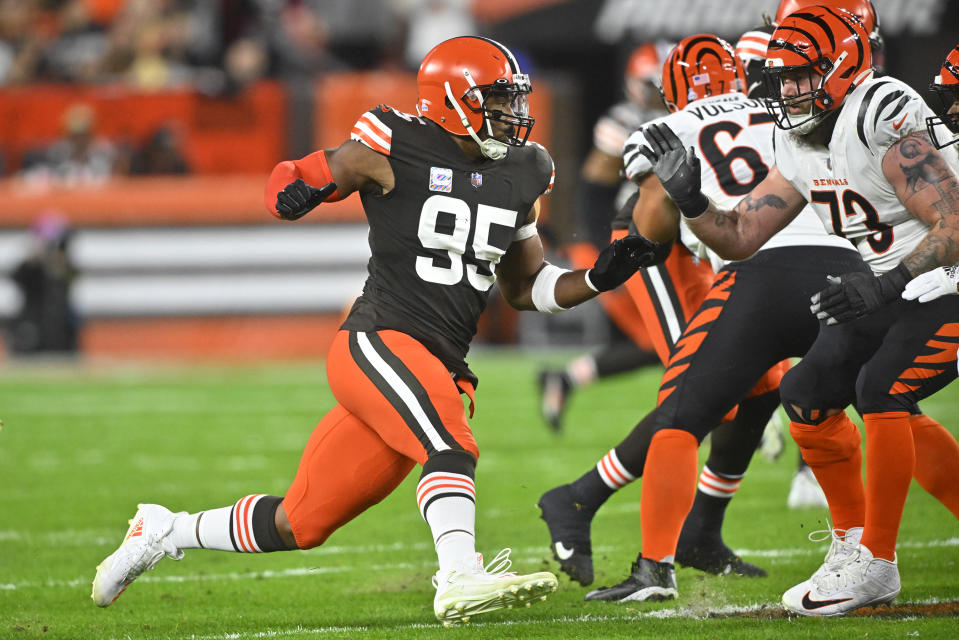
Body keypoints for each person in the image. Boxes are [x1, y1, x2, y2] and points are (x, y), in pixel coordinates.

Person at [89, 35, 659, 625]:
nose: (512, 114)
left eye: (514, 101)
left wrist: (597, 277)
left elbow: (525, 287)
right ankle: (459, 573)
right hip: (379, 339)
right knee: (450, 442)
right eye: (497, 99)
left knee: (301, 522)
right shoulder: (395, 142)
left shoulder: (526, 169)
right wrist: (300, 186)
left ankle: (164, 530)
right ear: (453, 99)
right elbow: (290, 182)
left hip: (440, 363)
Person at [637, 7, 959, 616]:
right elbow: (739, 235)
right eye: (780, 79)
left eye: (800, 77)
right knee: (807, 390)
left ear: (842, 68)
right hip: (903, 282)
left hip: (944, 281)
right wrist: (689, 197)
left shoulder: (880, 110)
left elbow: (955, 222)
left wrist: (884, 284)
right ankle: (851, 544)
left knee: (881, 387)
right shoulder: (802, 133)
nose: (786, 92)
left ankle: (876, 564)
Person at [539, 32, 864, 598]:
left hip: (709, 238)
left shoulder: (665, 126)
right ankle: (580, 498)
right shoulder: (791, 114)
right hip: (671, 249)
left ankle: (697, 534)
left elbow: (648, 197)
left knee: (754, 388)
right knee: (697, 398)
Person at [536, 42, 668, 431]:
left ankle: (563, 379)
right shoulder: (625, 121)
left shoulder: (679, 119)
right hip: (619, 244)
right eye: (650, 84)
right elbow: (594, 189)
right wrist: (604, 252)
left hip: (642, 243)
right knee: (662, 343)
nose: (656, 92)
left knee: (661, 343)